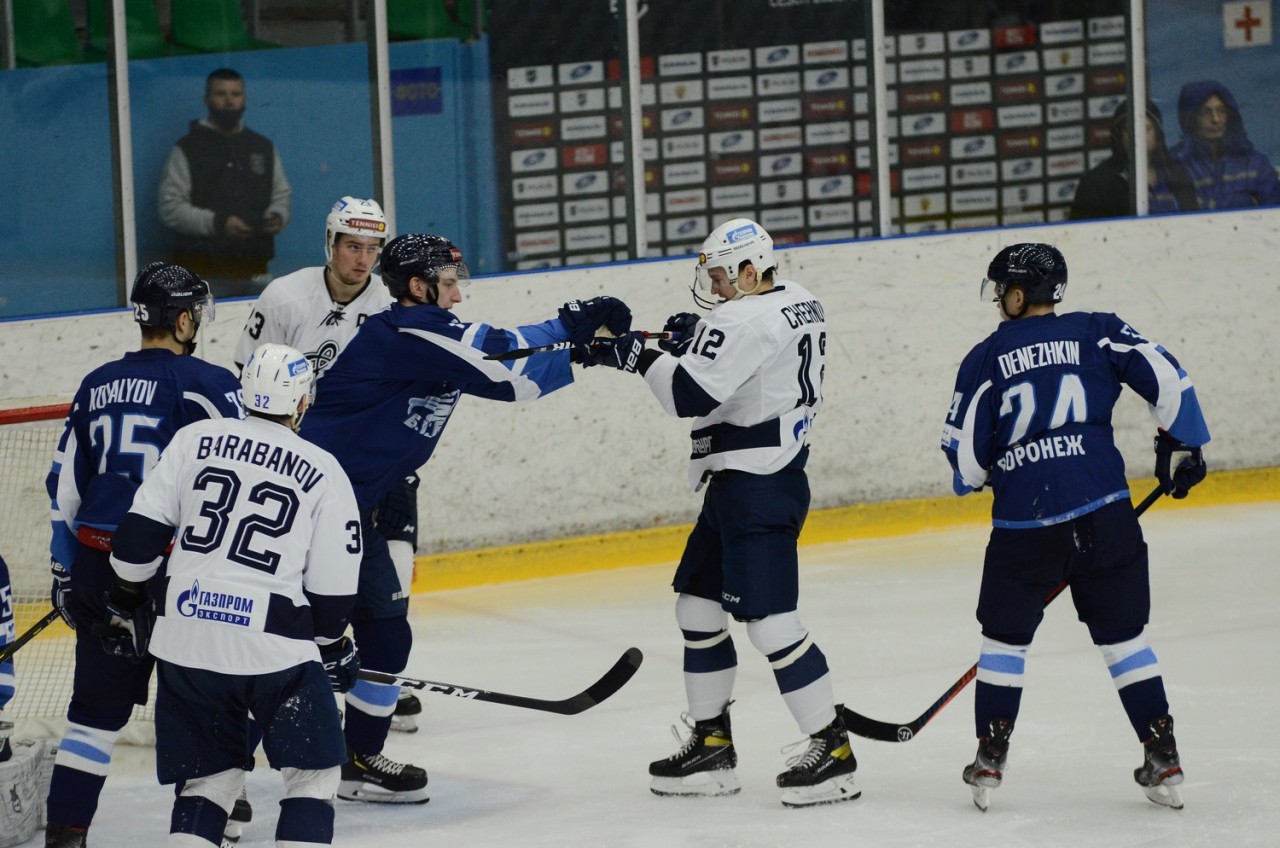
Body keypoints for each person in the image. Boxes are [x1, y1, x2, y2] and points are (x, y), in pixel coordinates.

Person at [299, 233, 632, 803]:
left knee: (387, 633)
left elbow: (513, 383)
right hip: (306, 513)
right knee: (282, 644)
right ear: (417, 286)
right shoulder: (405, 332)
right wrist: (567, 326)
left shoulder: (436, 344)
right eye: (449, 284)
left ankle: (358, 759)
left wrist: (583, 353)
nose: (457, 295)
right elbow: (499, 352)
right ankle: (225, 777)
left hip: (352, 514)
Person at [579, 218, 859, 808]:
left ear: (751, 272)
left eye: (721, 278)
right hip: (743, 482)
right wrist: (694, 341)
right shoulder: (800, 299)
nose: (713, 288)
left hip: (759, 485)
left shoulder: (741, 319)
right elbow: (751, 361)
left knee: (773, 626)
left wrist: (637, 357)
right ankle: (712, 746)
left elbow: (688, 396)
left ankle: (833, 753)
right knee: (698, 608)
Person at [941, 243, 1210, 812]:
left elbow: (967, 463)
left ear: (1019, 295)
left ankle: (990, 756)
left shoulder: (985, 357)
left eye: (1002, 290)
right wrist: (1181, 444)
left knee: (1004, 640)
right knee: (1124, 638)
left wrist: (986, 474)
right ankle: (1162, 752)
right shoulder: (1098, 331)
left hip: (1025, 525)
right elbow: (1167, 378)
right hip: (1105, 512)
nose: (998, 299)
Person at [104, 343, 361, 847]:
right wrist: (333, 647)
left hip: (185, 639)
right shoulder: (324, 468)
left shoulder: (194, 439)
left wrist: (129, 597)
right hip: (273, 650)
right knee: (312, 778)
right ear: (302, 402)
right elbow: (332, 598)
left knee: (208, 781)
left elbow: (134, 546)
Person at [44, 262, 244, 848]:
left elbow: (65, 489)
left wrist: (65, 570)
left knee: (91, 718)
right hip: (180, 573)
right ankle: (212, 820)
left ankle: (65, 834)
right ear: (182, 320)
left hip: (99, 569)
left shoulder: (96, 383)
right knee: (204, 706)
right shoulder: (208, 384)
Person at [233, 195, 426, 737]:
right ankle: (307, 681)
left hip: (377, 466)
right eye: (352, 246)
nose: (362, 259)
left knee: (392, 582)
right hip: (301, 471)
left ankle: (376, 680)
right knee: (303, 580)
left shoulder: (391, 303)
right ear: (330, 243)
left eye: (372, 248)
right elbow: (246, 379)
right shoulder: (285, 298)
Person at [159, 67, 292, 298]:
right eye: (221, 94)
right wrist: (219, 223)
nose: (229, 101)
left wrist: (277, 217)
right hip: (203, 271)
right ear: (206, 100)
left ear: (244, 99)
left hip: (256, 268)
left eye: (235, 94)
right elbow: (170, 208)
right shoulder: (187, 148)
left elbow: (281, 195)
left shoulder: (262, 146)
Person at [1068, 99, 1198, 220]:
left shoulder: (1176, 174)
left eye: (1146, 129)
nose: (1138, 135)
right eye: (1130, 129)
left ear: (1157, 133)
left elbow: (1194, 223)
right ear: (1119, 135)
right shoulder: (1095, 184)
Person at [1170, 80, 1280, 210]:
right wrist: (1247, 201)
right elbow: (1172, 208)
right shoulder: (1174, 164)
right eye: (1206, 112)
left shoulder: (1255, 164)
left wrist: (1205, 204)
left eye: (1221, 111)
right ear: (1190, 118)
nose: (1216, 119)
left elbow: (1273, 209)